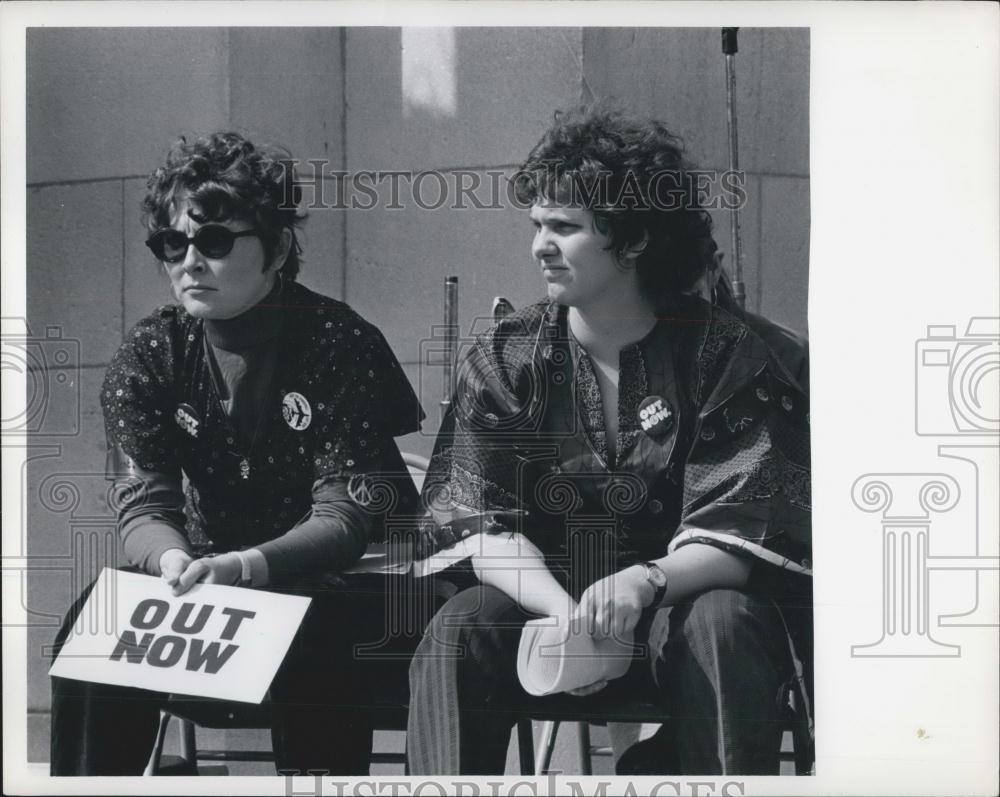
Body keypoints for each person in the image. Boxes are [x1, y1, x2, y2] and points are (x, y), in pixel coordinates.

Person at [406, 106, 812, 775]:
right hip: (546, 600)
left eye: (563, 228)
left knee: (724, 621)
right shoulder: (506, 357)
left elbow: (743, 528)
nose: (540, 244)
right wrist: (563, 611)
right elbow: (479, 519)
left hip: (678, 606)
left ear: (632, 239)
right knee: (461, 629)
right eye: (537, 225)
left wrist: (644, 582)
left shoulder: (729, 352)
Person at [50, 131, 424, 775]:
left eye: (216, 241)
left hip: (362, 587)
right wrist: (174, 561)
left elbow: (344, 520)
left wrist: (241, 567)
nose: (190, 261)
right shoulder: (150, 353)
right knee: (95, 620)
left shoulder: (340, 341)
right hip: (215, 580)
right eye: (173, 243)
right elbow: (144, 505)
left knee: (315, 634)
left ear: (277, 248)